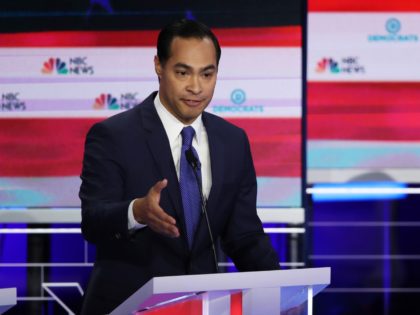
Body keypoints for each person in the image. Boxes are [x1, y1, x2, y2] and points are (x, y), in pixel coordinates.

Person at [79, 18, 279, 314]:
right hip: (128, 306)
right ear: (159, 66)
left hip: (201, 306)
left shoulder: (232, 141)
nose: (196, 87)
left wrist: (281, 289)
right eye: (183, 72)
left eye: (207, 74)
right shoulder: (114, 135)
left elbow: (244, 235)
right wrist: (137, 211)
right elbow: (93, 222)